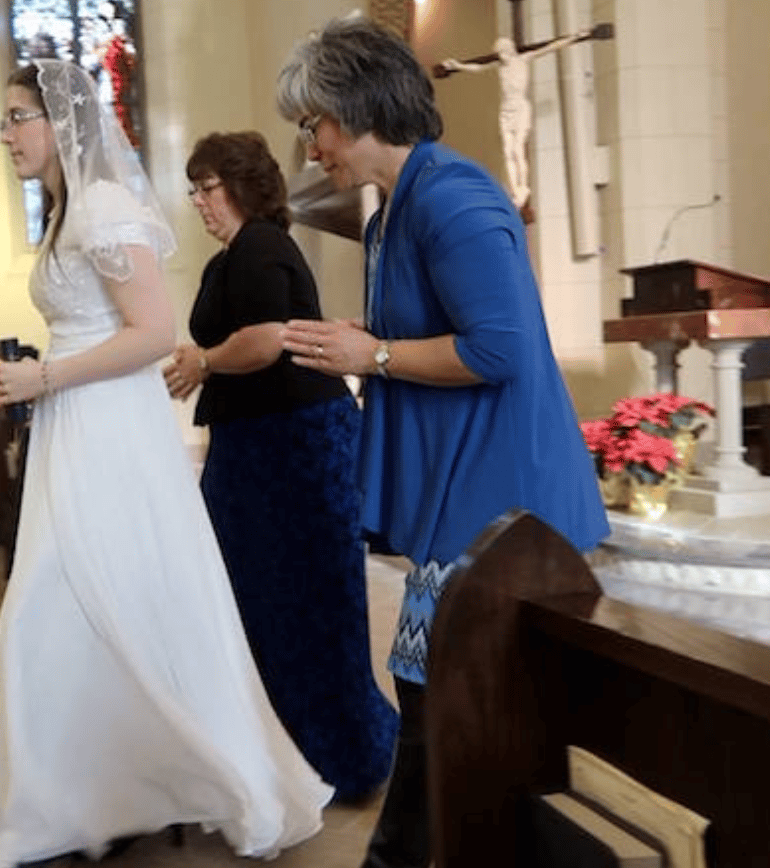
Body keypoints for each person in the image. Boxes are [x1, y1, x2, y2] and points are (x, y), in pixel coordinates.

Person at [276, 17, 610, 868]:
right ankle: (417, 852)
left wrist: (374, 353)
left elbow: (497, 349)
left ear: (354, 110)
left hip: (504, 499)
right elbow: (436, 326)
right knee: (426, 682)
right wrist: (368, 336)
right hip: (467, 497)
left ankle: (406, 856)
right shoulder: (396, 209)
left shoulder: (453, 197)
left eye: (312, 124)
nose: (309, 146)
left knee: (446, 690)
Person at [0, 60, 331, 868]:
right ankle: (101, 793)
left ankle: (110, 790)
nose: (4, 135)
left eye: (15, 117)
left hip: (106, 426)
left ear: (58, 121)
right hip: (76, 421)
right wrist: (41, 376)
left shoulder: (101, 205)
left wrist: (46, 375)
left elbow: (149, 331)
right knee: (71, 599)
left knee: (63, 599)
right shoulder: (65, 204)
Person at [162, 130, 396, 803]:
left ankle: (346, 760)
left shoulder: (262, 243)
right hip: (256, 450)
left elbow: (268, 340)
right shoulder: (229, 259)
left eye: (208, 188)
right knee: (259, 607)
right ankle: (288, 758)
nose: (200, 202)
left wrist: (203, 361)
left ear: (242, 185)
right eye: (195, 190)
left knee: (309, 609)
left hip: (293, 448)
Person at [435, 29, 600, 208]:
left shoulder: (523, 59)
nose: (501, 56)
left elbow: (551, 47)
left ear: (511, 50)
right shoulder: (500, 65)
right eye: (499, 53)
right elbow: (477, 68)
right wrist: (457, 65)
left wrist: (575, 38)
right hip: (506, 110)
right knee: (507, 151)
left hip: (520, 108)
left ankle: (523, 187)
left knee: (517, 150)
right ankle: (515, 191)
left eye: (503, 52)